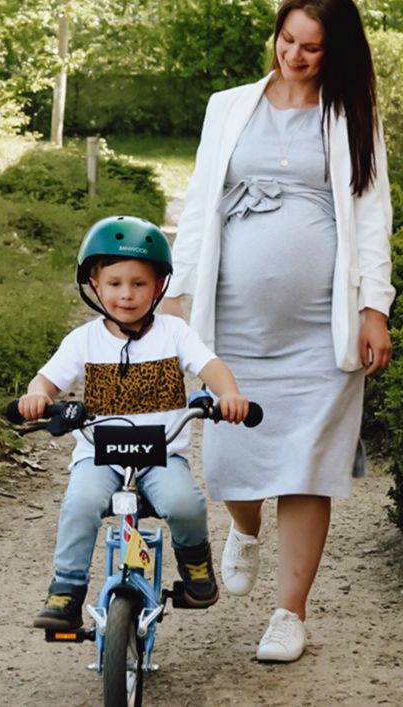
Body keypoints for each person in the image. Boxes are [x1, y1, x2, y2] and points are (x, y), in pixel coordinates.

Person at [161, 0, 394, 662]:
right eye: (287, 39)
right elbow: (202, 206)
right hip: (235, 321)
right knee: (231, 465)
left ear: (335, 53)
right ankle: (244, 527)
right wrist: (176, 295)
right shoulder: (228, 106)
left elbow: (373, 215)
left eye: (311, 47)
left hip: (322, 329)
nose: (294, 55)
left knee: (307, 465)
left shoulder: (353, 116)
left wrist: (374, 307)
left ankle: (290, 611)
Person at [18, 215, 251, 630]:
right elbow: (48, 379)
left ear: (159, 286)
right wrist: (38, 397)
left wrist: (228, 394)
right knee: (79, 505)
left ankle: (195, 564)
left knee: (185, 504)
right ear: (94, 284)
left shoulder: (174, 333)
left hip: (161, 456)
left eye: (139, 284)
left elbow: (209, 365)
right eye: (115, 284)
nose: (127, 295)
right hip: (100, 456)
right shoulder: (83, 341)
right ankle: (66, 591)